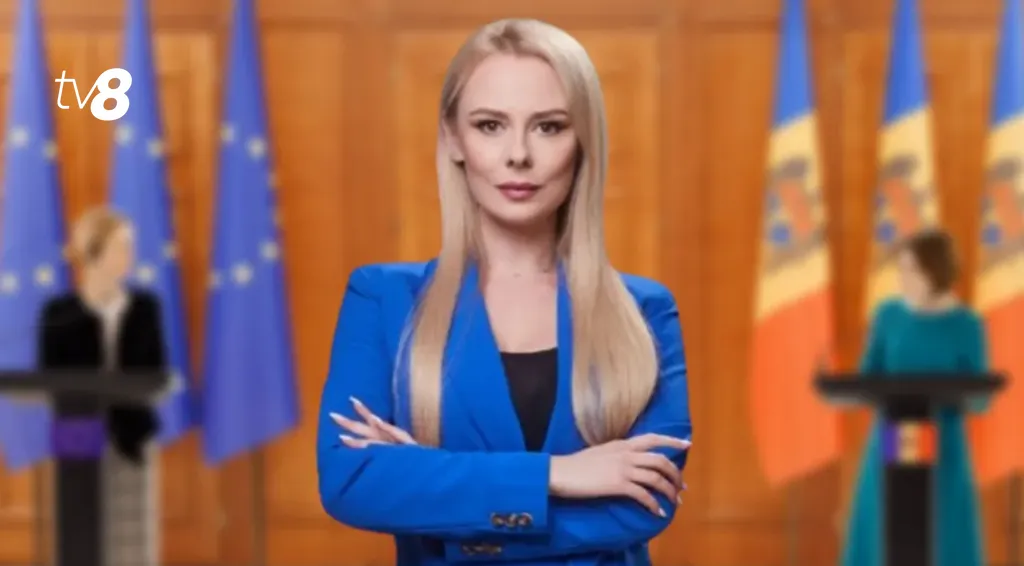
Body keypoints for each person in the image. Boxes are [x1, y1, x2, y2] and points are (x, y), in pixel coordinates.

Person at [315, 18, 693, 566]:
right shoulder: (381, 299)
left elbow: (644, 504)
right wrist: (557, 475)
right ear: (454, 138)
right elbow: (351, 482)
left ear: (583, 140)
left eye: (549, 127)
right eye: (490, 125)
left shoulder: (644, 310)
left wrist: (435, 492)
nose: (518, 154)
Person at [841, 229, 988, 566]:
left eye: (912, 270)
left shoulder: (967, 325)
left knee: (942, 535)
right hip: (892, 439)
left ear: (937, 271)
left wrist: (960, 396)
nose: (903, 279)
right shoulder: (888, 316)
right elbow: (868, 377)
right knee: (884, 531)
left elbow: (980, 397)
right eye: (901, 269)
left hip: (944, 448)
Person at [38, 206, 165, 566]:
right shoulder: (59, 313)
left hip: (131, 434)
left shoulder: (145, 308)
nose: (130, 254)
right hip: (77, 434)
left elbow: (153, 370)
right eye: (121, 245)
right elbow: (51, 378)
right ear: (94, 252)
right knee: (78, 537)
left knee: (131, 542)